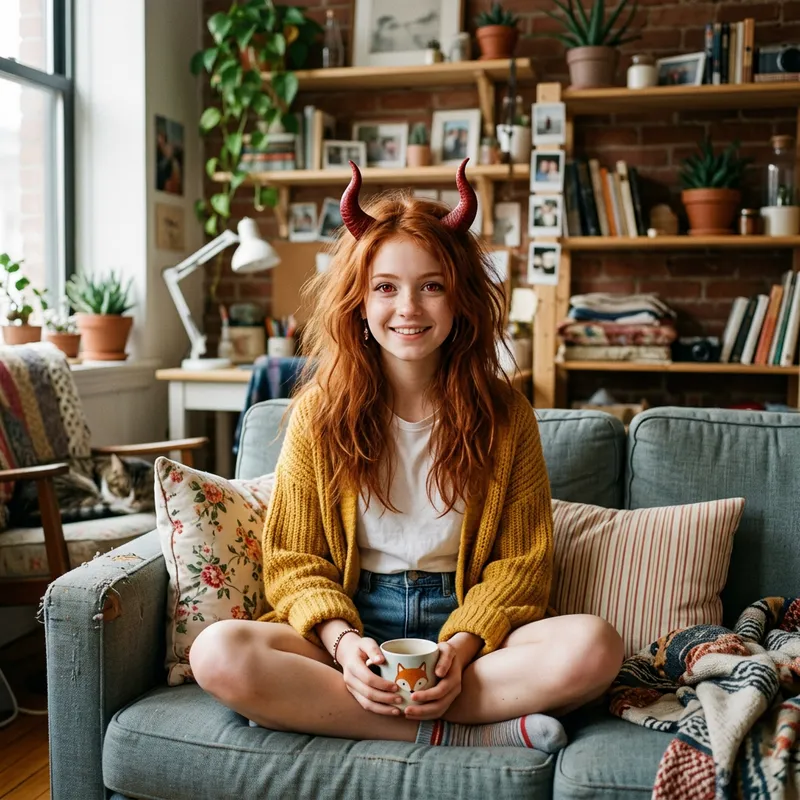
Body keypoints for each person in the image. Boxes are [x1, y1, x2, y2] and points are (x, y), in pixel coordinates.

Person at [190, 158, 623, 750]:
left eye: (432, 285)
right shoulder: (319, 412)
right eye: (386, 287)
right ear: (360, 303)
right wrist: (344, 645)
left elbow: (525, 564)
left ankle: (357, 712)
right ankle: (464, 731)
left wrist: (463, 644)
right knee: (217, 653)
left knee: (596, 646)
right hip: (355, 615)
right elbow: (291, 558)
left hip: (464, 624)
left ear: (460, 298)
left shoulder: (507, 415)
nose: (409, 308)